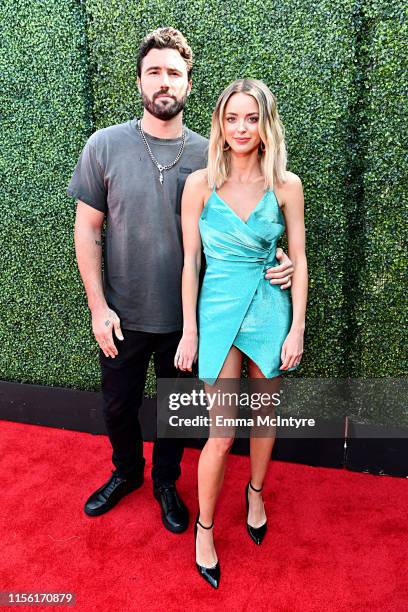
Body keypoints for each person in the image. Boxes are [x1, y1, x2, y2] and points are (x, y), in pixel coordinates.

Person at [67, 29, 296, 535]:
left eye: (174, 72)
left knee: (177, 411)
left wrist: (274, 253)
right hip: (123, 313)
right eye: (155, 71)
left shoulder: (211, 156)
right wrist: (97, 307)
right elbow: (87, 228)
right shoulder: (103, 145)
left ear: (189, 82)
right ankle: (126, 472)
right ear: (139, 80)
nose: (164, 81)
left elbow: (249, 212)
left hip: (191, 317)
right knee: (118, 404)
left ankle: (166, 482)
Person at [176, 78, 307, 587]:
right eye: (232, 118)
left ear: (266, 123)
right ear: (219, 123)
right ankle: (204, 529)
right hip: (217, 310)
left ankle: (255, 492)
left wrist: (297, 325)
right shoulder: (200, 184)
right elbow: (191, 263)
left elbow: (299, 258)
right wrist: (189, 331)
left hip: (270, 309)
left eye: (251, 118)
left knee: (265, 414)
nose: (240, 128)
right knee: (221, 431)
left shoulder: (286, 185)